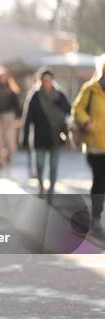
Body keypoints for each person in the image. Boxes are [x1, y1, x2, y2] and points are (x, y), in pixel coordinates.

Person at [22, 70, 71, 200]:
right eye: (44, 80)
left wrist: (59, 106)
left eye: (49, 80)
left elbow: (69, 110)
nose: (47, 83)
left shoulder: (60, 95)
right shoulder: (35, 96)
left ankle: (51, 189)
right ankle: (41, 185)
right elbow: (28, 118)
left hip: (56, 136)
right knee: (39, 164)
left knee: (54, 166)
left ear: (52, 80)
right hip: (39, 136)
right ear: (41, 81)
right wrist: (25, 136)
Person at [71, 55, 105, 237]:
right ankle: (97, 218)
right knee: (99, 181)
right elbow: (77, 109)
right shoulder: (90, 89)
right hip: (95, 145)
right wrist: (86, 122)